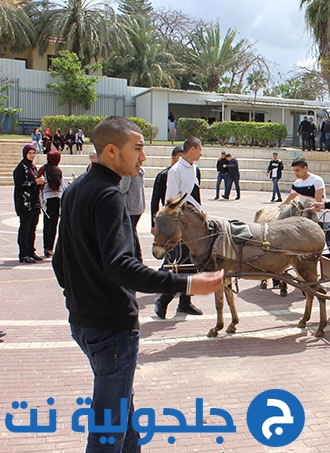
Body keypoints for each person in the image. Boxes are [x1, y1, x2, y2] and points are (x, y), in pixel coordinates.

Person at [52, 116, 223, 452]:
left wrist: (79, 299)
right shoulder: (108, 195)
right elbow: (121, 266)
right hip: (111, 329)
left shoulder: (75, 190)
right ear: (112, 150)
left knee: (122, 413)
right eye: (138, 148)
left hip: (83, 323)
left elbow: (60, 262)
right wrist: (187, 284)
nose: (143, 157)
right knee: (108, 431)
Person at [156, 137, 205, 318]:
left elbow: (196, 196)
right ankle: (163, 300)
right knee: (178, 264)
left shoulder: (195, 169)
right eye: (200, 149)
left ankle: (185, 302)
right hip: (181, 225)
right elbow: (171, 200)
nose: (201, 153)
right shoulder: (175, 170)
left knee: (193, 264)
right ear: (192, 149)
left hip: (194, 224)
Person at [13, 144, 45, 263]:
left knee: (32, 228)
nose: (32, 155)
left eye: (33, 153)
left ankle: (31, 251)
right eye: (30, 153)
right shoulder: (21, 167)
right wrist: (35, 182)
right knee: (25, 228)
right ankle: (24, 253)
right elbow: (20, 184)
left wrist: (40, 182)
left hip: (34, 201)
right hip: (25, 202)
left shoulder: (32, 167)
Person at [38, 150, 64, 258]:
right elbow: (61, 186)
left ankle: (46, 247)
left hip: (45, 198)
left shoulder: (43, 169)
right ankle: (50, 248)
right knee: (53, 224)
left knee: (46, 223)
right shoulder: (57, 170)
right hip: (55, 198)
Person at [120, 168, 145, 261]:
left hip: (130, 205)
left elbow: (124, 187)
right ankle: (137, 255)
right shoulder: (139, 171)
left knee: (130, 232)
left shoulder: (128, 171)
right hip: (138, 206)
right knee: (133, 231)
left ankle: (135, 255)